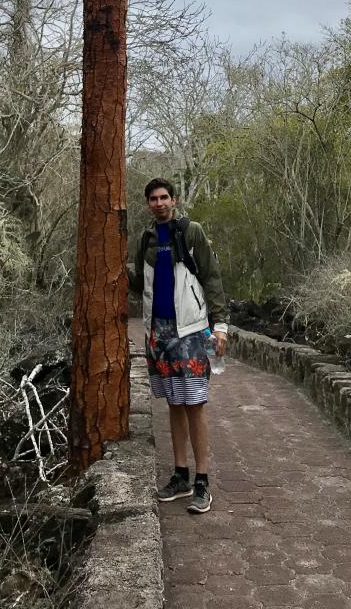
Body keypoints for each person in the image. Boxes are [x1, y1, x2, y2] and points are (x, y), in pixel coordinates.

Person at [128, 177, 228, 515]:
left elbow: (212, 277)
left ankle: (202, 481)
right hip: (159, 333)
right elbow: (138, 283)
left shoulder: (191, 231)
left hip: (192, 332)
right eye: (153, 199)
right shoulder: (147, 238)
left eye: (164, 197)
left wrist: (221, 327)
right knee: (173, 403)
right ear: (147, 204)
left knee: (195, 404)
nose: (159, 203)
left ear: (174, 199)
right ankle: (181, 474)